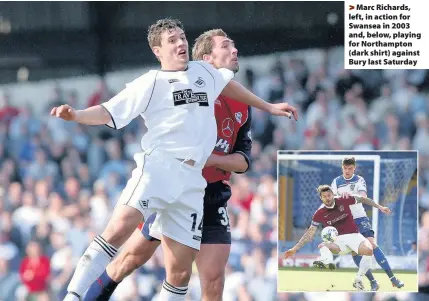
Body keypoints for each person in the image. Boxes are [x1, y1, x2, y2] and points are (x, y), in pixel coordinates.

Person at [52, 18, 297, 301]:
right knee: (119, 231)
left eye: (182, 37)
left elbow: (228, 84)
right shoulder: (150, 82)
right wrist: (77, 115)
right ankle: (73, 296)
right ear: (157, 51)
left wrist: (268, 106)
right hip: (159, 169)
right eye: (172, 40)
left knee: (180, 274)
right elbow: (108, 112)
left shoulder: (204, 72)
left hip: (194, 183)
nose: (181, 43)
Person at [83, 28, 254, 301]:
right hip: (172, 189)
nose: (235, 51)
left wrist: (209, 159)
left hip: (212, 197)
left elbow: (243, 161)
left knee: (211, 279)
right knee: (130, 259)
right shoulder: (188, 90)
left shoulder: (242, 105)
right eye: (226, 46)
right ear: (207, 61)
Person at [284, 185, 392, 291]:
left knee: (369, 250)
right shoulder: (319, 213)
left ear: (333, 194)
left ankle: (358, 279)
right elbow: (309, 233)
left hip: (354, 236)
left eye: (329, 195)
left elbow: (363, 199)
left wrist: (380, 207)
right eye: (324, 196)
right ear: (321, 198)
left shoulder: (344, 200)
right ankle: (327, 262)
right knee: (323, 245)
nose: (327, 198)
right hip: (338, 241)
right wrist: (294, 249)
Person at [329, 157, 404, 290]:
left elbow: (363, 197)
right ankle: (373, 281)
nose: (347, 171)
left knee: (372, 244)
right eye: (345, 168)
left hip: (359, 218)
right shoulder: (336, 182)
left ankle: (393, 278)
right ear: (342, 168)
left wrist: (379, 206)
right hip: (346, 221)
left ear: (354, 168)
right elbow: (332, 202)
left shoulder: (359, 180)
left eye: (350, 168)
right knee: (355, 252)